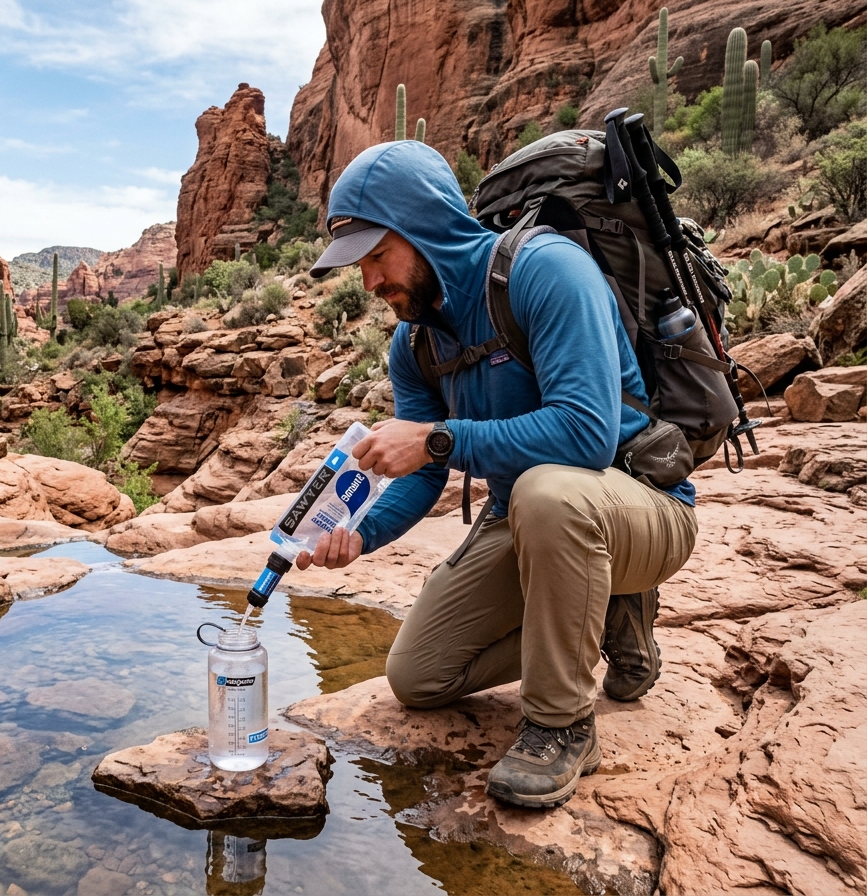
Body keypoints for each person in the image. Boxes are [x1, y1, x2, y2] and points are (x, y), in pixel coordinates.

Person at [296, 140, 698, 809]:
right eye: (358, 265)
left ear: (424, 227)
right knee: (418, 675)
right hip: (536, 519)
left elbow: (585, 436)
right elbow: (425, 475)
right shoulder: (416, 340)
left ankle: (562, 724)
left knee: (547, 491)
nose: (369, 283)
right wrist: (360, 535)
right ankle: (601, 620)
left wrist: (438, 439)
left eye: (376, 256)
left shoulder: (547, 271)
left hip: (640, 508)